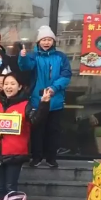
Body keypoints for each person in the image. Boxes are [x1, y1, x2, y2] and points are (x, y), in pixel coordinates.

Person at [0, 74, 51, 196]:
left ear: (19, 86)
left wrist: (44, 104)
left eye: (12, 84)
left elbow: (35, 121)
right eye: (6, 84)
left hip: (15, 153)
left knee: (10, 188)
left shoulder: (25, 105)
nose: (8, 87)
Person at [18, 26, 72, 168]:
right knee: (37, 131)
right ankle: (36, 157)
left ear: (53, 41)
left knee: (53, 131)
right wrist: (22, 57)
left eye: (49, 39)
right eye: (43, 40)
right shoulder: (33, 56)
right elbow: (25, 67)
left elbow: (66, 75)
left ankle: (51, 158)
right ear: (38, 42)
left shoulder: (61, 56)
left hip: (56, 100)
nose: (46, 42)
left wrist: (54, 88)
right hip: (37, 100)